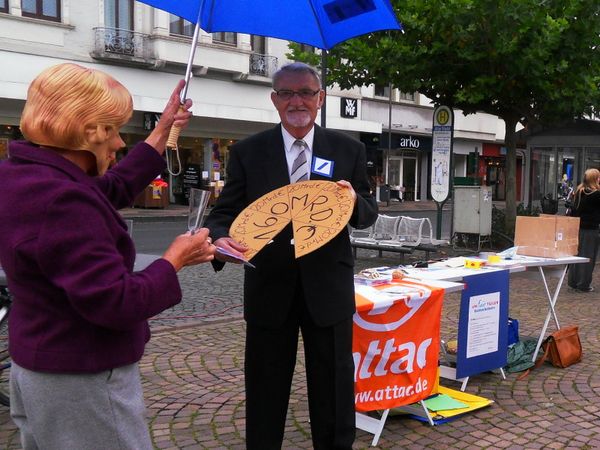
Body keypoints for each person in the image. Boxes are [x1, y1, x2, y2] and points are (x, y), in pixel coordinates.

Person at [0, 63, 216, 449]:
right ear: (88, 133)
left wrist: (163, 128)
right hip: (81, 376)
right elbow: (117, 302)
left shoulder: (21, 175)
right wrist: (174, 260)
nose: (119, 144)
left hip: (37, 367)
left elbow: (109, 188)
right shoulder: (63, 200)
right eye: (113, 131)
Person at [205, 62, 378, 449]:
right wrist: (220, 240)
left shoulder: (348, 149)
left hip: (328, 289)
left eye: (305, 92)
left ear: (321, 98)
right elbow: (223, 214)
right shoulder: (250, 152)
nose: (296, 101)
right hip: (269, 287)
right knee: (266, 389)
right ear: (274, 99)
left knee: (333, 389)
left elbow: (368, 212)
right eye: (286, 93)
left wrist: (352, 202)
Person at [567, 168, 600, 293]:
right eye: (598, 177)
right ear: (595, 179)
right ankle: (583, 284)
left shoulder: (579, 192)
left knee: (577, 255)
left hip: (578, 228)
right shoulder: (596, 194)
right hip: (590, 229)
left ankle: (573, 281)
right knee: (588, 256)